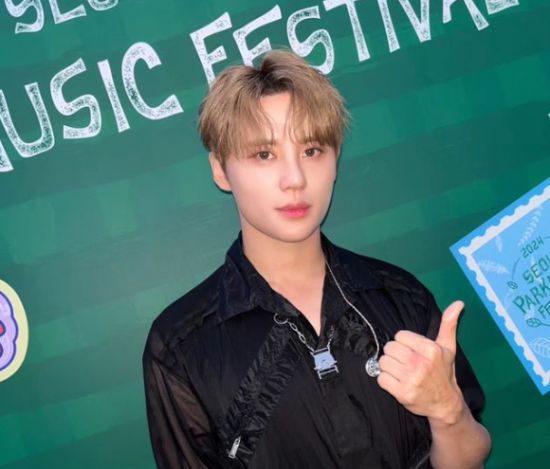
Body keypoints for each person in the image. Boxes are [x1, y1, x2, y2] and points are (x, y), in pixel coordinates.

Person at [142, 50, 491, 469]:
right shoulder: (181, 345)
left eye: (311, 150)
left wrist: (448, 411)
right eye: (264, 154)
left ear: (335, 158)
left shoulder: (400, 296)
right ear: (220, 169)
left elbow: (470, 456)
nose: (295, 179)